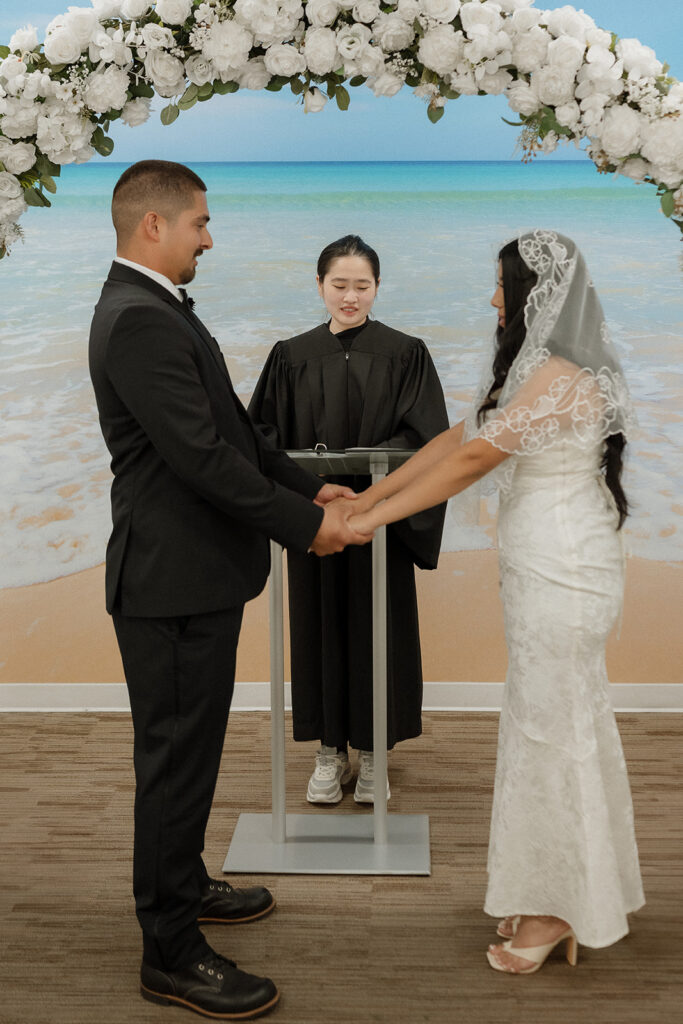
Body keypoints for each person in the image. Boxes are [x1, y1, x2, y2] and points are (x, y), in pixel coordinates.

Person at [88, 161, 369, 1020]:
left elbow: (236, 431)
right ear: (153, 227)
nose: (210, 237)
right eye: (200, 223)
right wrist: (304, 526)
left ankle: (183, 885)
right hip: (168, 579)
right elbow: (200, 460)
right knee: (173, 766)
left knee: (192, 754)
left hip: (196, 573)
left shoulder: (157, 307)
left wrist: (301, 487)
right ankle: (169, 954)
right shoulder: (136, 320)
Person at [345, 230, 645, 972]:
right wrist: (367, 497)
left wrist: (363, 526)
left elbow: (479, 459)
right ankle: (561, 890)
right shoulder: (538, 370)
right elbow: (457, 438)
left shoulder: (563, 373)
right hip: (541, 561)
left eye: (501, 287)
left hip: (563, 566)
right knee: (546, 718)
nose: (492, 299)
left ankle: (553, 911)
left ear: (537, 296)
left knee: (553, 726)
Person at [248, 235, 449, 804]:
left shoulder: (407, 353)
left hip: (382, 519)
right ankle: (328, 752)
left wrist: (369, 500)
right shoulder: (289, 356)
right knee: (317, 630)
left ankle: (374, 756)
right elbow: (260, 438)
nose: (350, 296)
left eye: (362, 285)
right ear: (319, 286)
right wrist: (309, 495)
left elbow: (426, 440)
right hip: (314, 519)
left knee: (376, 630)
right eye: (339, 285)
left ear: (377, 288)